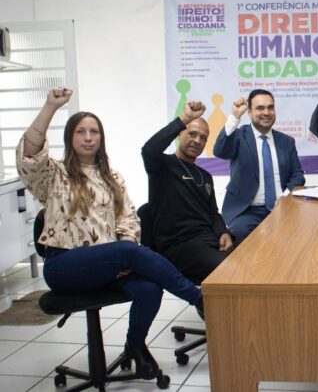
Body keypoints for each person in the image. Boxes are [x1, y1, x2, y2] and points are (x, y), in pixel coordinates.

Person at [17, 88, 203, 380]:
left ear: (101, 138)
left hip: (109, 265)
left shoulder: (112, 177)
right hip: (64, 266)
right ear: (70, 138)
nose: (88, 137)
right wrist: (51, 107)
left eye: (94, 132)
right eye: (81, 131)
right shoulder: (53, 174)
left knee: (149, 287)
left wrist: (126, 249)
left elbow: (128, 219)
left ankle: (135, 345)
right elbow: (29, 154)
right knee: (126, 251)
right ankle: (198, 298)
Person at [142, 100, 232, 284]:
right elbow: (149, 149)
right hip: (180, 244)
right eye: (192, 133)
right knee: (230, 270)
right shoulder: (162, 166)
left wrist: (223, 232)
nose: (197, 140)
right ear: (179, 133)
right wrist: (184, 118)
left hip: (208, 239)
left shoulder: (205, 176)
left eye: (203, 138)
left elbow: (213, 213)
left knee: (249, 255)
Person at [213, 89, 305, 244]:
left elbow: (298, 175)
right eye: (260, 108)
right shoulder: (239, 136)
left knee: (302, 235)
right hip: (247, 211)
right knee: (238, 236)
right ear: (249, 112)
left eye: (270, 107)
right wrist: (234, 117)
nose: (266, 112)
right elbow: (220, 151)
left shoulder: (286, 141)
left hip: (282, 207)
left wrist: (285, 198)